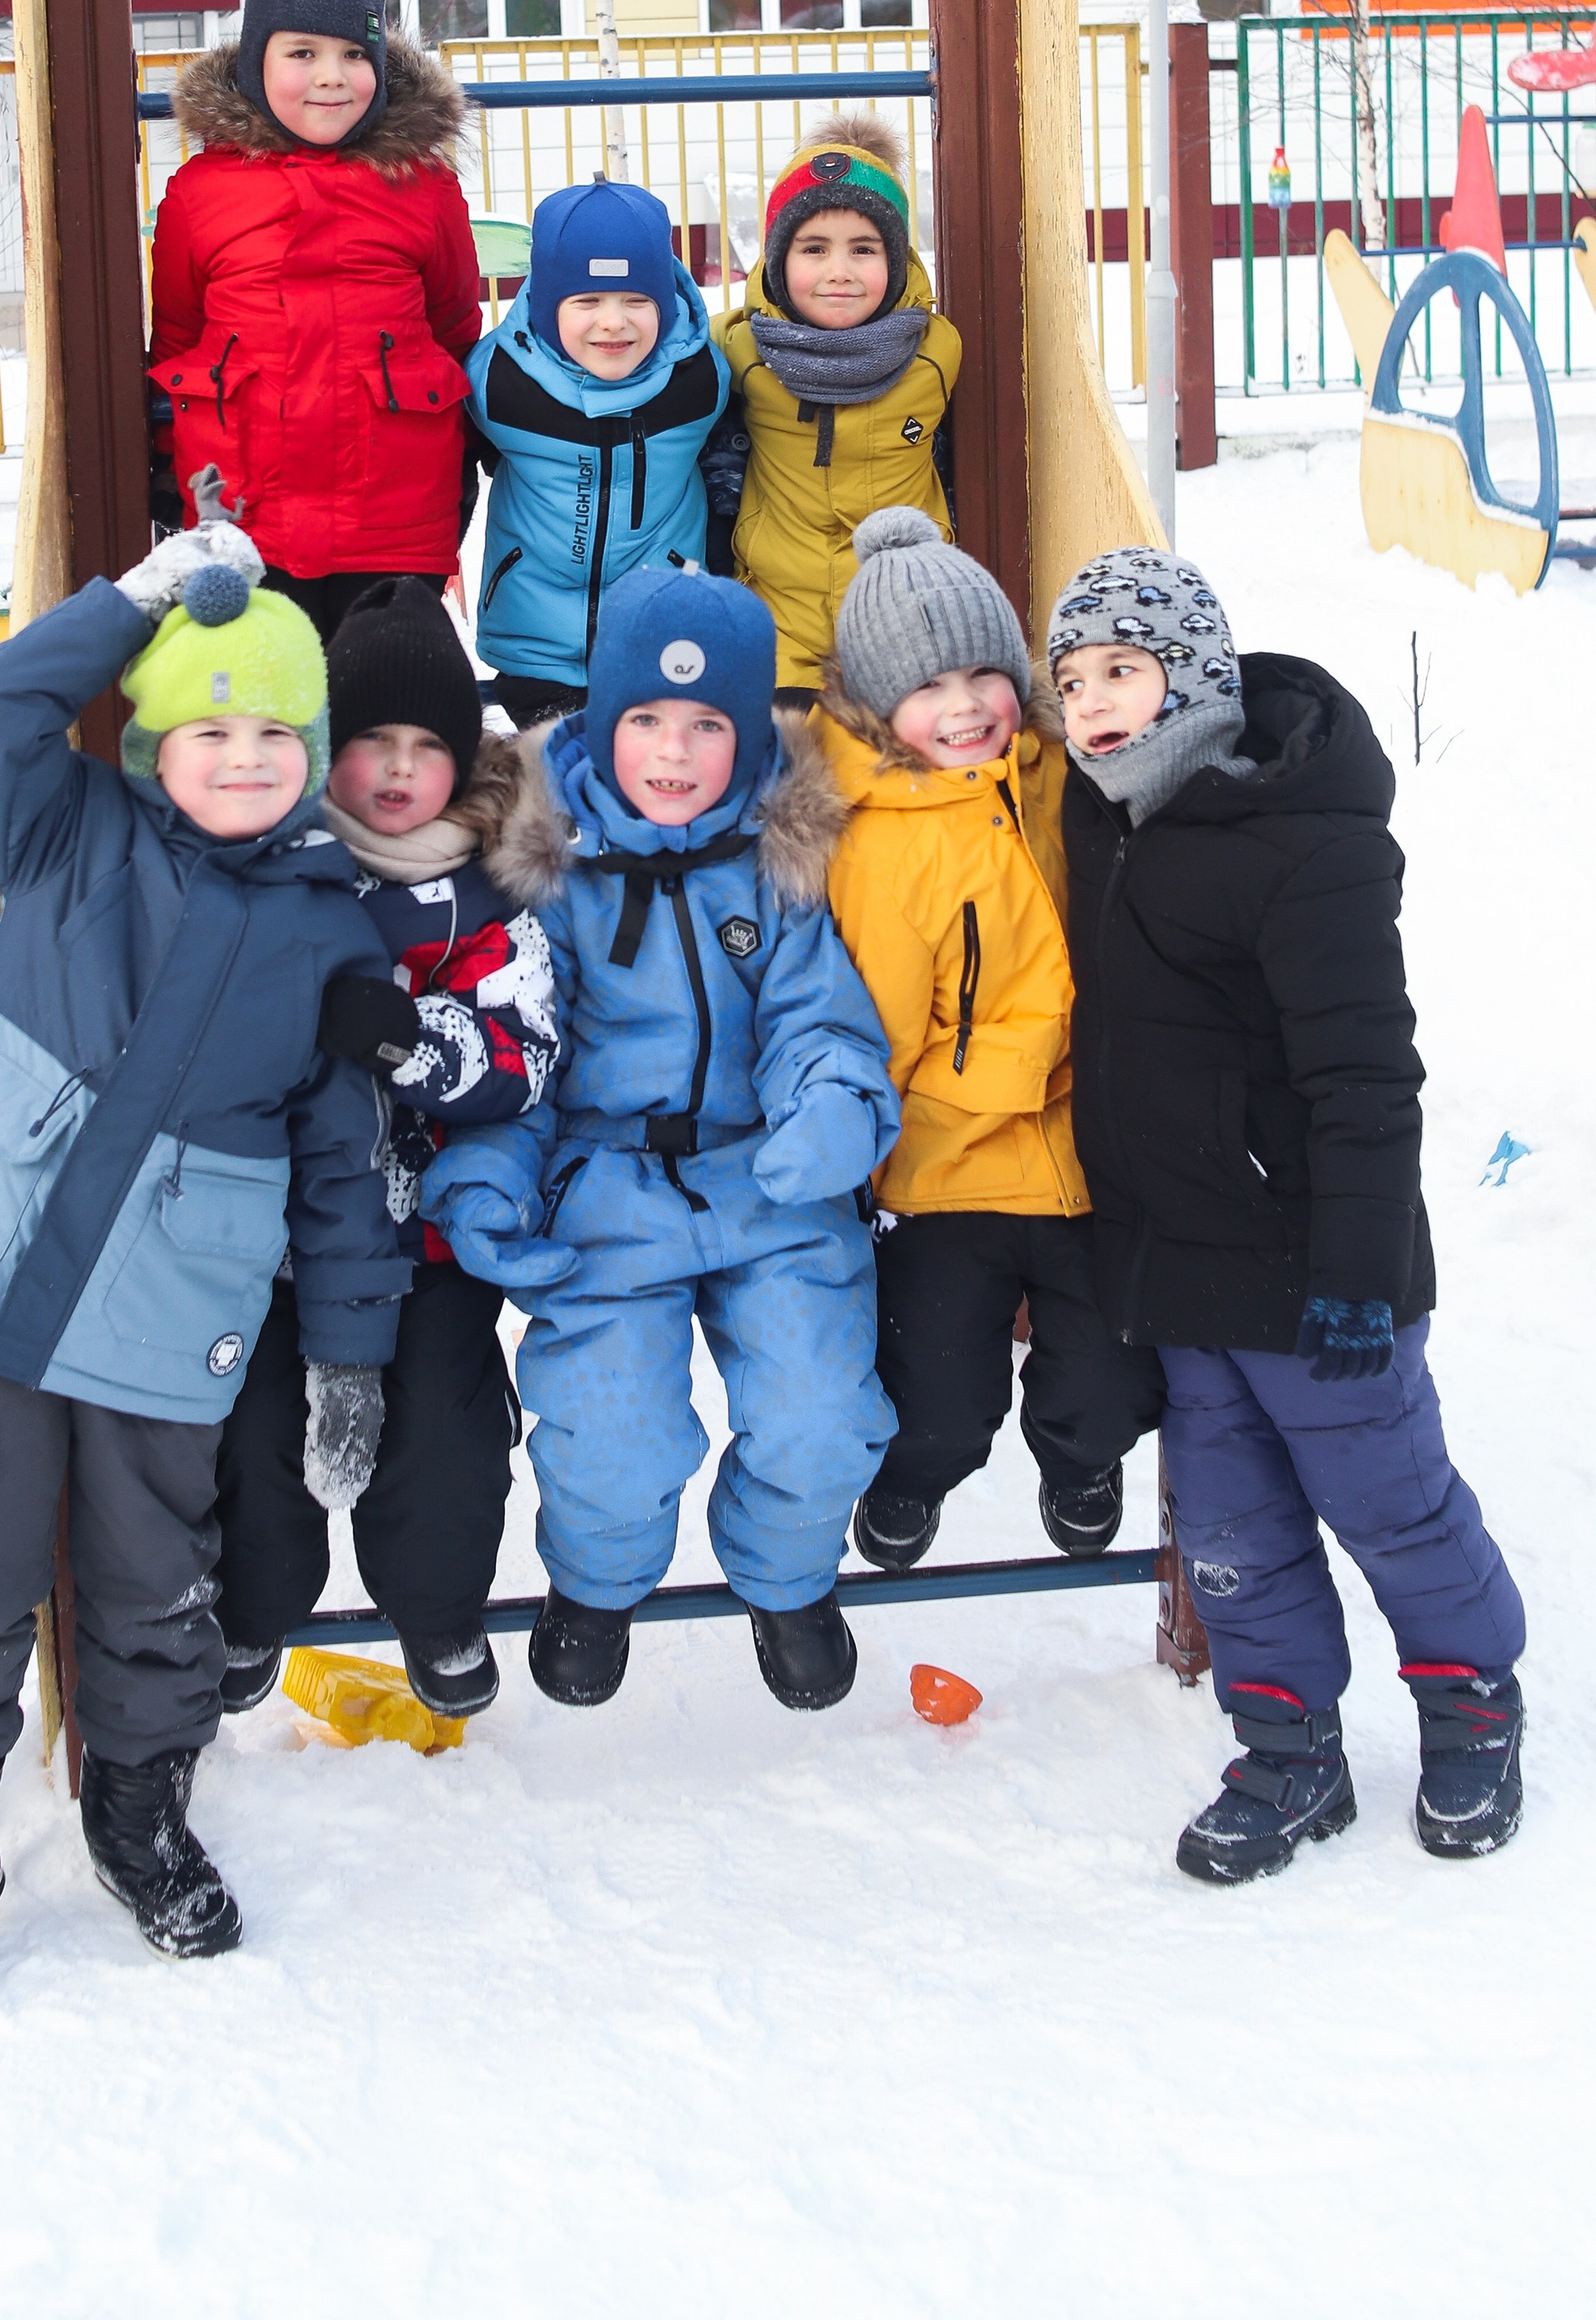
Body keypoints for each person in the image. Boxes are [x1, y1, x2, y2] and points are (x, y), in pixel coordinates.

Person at [0, 524, 409, 2024]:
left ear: (318, 751)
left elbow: (349, 1164)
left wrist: (350, 1352)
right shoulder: (67, 827)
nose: (240, 757)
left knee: (157, 1580)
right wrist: (139, 598)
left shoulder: (335, 934)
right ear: (154, 737)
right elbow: (3, 707)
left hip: (169, 1310)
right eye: (208, 726)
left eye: (275, 733)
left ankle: (139, 1818)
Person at [1050, 545, 1526, 1882]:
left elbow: (1366, 1074)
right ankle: (1287, 1745)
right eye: (1073, 676)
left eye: (1124, 670)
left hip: (1317, 1268)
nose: (1092, 701)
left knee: (1391, 1500)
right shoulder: (1103, 817)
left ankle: (1471, 1699)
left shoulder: (1301, 840)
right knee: (1231, 1526)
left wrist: (1362, 1270)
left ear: (1192, 675)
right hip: (1183, 1268)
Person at [424, 561, 900, 1714]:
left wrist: (831, 1108)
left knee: (819, 1407)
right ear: (601, 721)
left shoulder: (777, 863)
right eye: (646, 721)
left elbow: (815, 1019)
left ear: (747, 734)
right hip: (606, 1184)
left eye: (706, 726)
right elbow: (521, 1058)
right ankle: (594, 1584)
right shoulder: (551, 871)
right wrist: (486, 1181)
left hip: (765, 1180)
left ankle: (786, 1579)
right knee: (611, 1424)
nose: (675, 754)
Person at [214, 578, 557, 1719]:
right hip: (283, 1238)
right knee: (256, 1429)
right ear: (326, 750)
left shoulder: (490, 893)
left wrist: (415, 1040)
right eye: (372, 743)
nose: (401, 771)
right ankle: (254, 1608)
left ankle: (439, 1610)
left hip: (430, 1236)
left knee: (443, 1438)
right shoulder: (276, 869)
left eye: (428, 746)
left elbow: (527, 1056)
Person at [818, 510, 1162, 1575]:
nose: (964, 705)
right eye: (927, 687)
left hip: (1086, 1155)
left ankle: (1080, 1458)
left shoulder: (1063, 779)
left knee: (1115, 1378)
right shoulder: (882, 848)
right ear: (879, 708)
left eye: (984, 672)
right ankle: (913, 1480)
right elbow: (881, 1045)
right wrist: (1037, 1054)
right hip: (947, 1168)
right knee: (939, 1396)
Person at [146, 0, 482, 641]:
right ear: (255, 62)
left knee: (380, 710)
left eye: (354, 54)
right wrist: (166, 458)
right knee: (266, 716)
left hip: (393, 518)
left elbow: (453, 326)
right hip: (244, 518)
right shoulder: (201, 193)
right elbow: (177, 337)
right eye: (302, 53)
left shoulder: (424, 188)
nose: (332, 77)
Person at [705, 116, 961, 702]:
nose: (839, 272)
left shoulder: (935, 352)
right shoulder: (737, 349)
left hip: (902, 621)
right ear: (776, 260)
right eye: (813, 249)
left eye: (864, 249)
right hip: (777, 621)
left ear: (896, 261)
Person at [464, 176, 729, 729]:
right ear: (544, 305)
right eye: (586, 301)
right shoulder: (501, 384)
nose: (613, 321)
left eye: (637, 300)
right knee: (557, 790)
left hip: (660, 636)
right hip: (534, 645)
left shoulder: (699, 379)